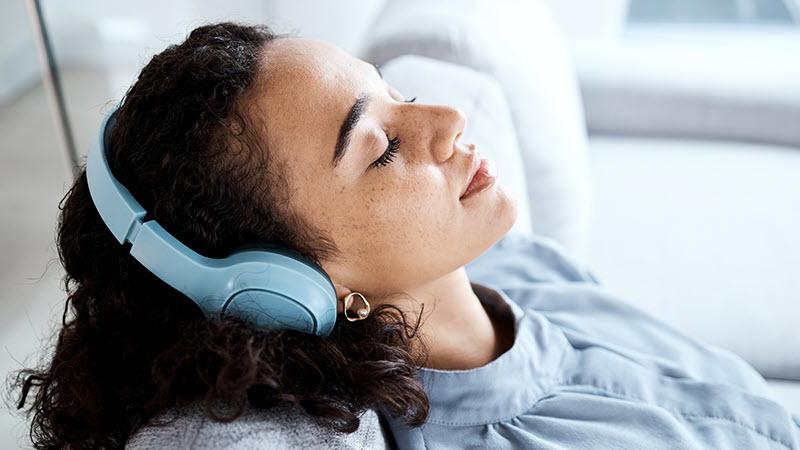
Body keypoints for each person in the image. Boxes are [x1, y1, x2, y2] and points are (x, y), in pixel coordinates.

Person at [10, 22, 799, 450]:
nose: (449, 120)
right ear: (282, 287)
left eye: (397, 95)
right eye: (380, 147)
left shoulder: (526, 270)